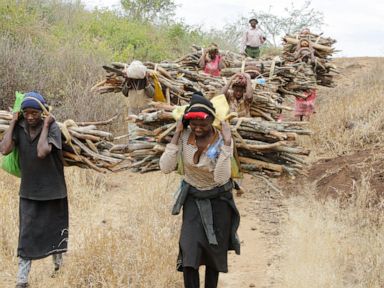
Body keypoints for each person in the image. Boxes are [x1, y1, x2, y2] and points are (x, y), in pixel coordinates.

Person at [159, 93, 240, 288]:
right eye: (192, 123)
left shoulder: (221, 140)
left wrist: (227, 145)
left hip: (219, 202)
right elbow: (165, 167)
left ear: (212, 120)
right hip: (193, 200)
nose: (197, 128)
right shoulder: (185, 137)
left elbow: (221, 178)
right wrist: (177, 133)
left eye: (202, 124)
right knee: (189, 254)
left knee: (213, 257)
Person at [0, 92, 68, 288]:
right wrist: (13, 122)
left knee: (55, 232)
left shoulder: (53, 128)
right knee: (26, 235)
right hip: (29, 191)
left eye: (35, 113)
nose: (30, 117)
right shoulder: (19, 127)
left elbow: (42, 152)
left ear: (43, 113)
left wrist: (46, 125)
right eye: (26, 113)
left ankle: (59, 269)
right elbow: (4, 150)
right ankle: (22, 280)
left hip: (54, 190)